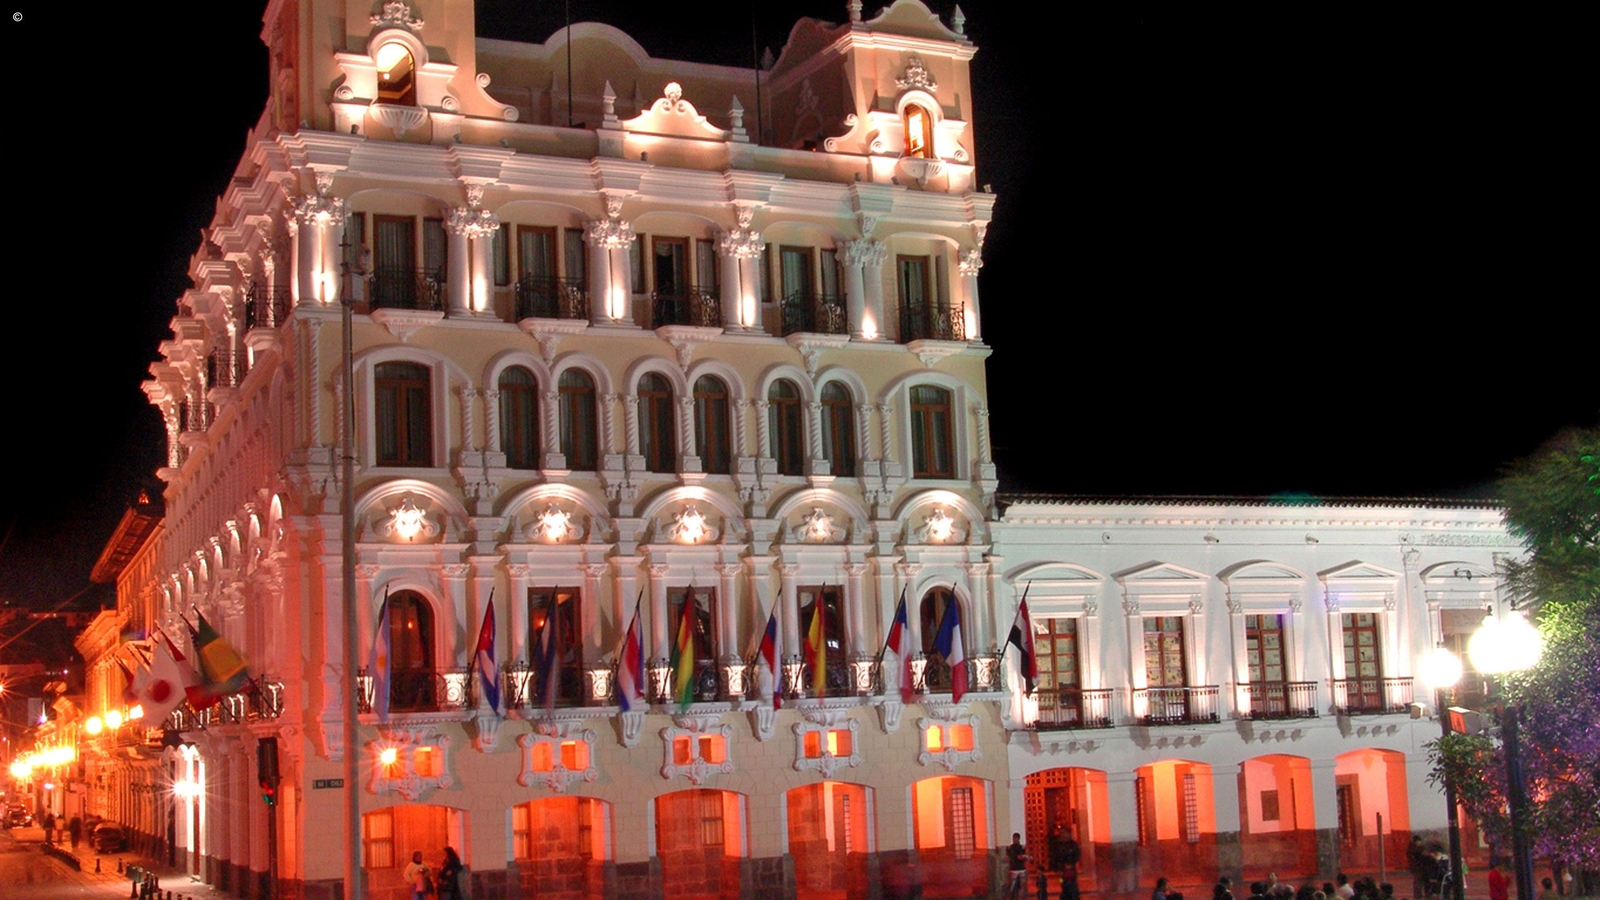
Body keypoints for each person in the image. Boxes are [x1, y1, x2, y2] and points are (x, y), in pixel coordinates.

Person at [1059, 828, 1081, 900]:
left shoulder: (1073, 845)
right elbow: (1056, 856)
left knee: (1072, 884)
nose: (1063, 835)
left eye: (1065, 833)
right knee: (1062, 882)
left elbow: (1077, 854)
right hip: (1063, 870)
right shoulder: (1060, 845)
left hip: (1071, 868)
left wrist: (1071, 863)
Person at [1007, 833, 1029, 899]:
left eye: (1016, 838)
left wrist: (1023, 857)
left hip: (1021, 868)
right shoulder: (1010, 848)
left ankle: (1020, 898)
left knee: (1022, 885)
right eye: (1014, 838)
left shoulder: (1021, 847)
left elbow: (1025, 857)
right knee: (1012, 886)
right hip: (1014, 869)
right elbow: (1008, 857)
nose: (1014, 840)